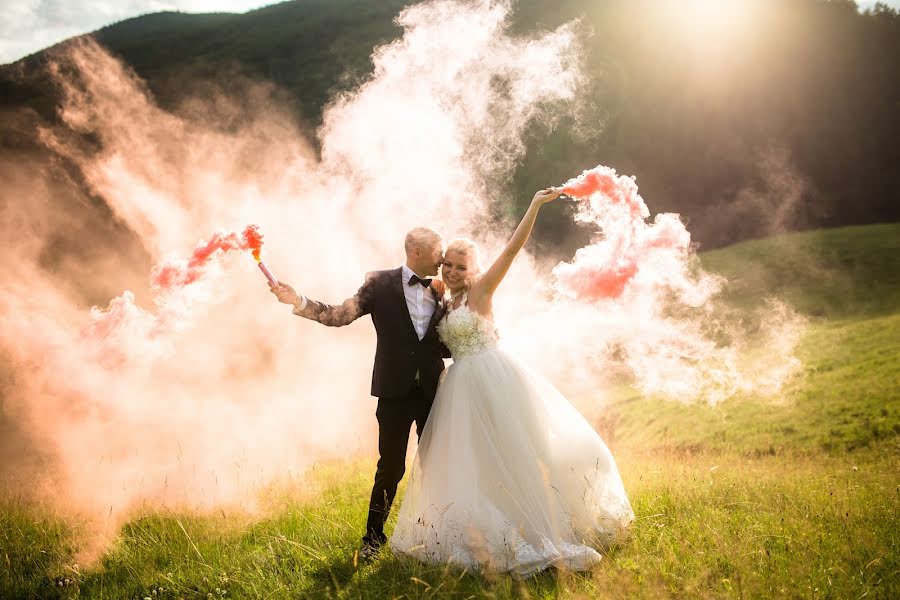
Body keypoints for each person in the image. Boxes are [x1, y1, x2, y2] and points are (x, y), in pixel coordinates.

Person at [390, 189, 634, 575]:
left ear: (473, 271)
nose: (452, 272)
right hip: (459, 389)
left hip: (491, 377)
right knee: (475, 462)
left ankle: (542, 527)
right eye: (447, 265)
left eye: (460, 267)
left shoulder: (481, 291)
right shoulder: (445, 300)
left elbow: (512, 250)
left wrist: (534, 204)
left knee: (517, 454)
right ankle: (480, 527)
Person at [269, 227, 450, 559]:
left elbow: (446, 340)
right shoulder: (379, 284)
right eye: (439, 250)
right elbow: (340, 315)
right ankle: (372, 539)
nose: (444, 257)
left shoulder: (442, 288)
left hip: (433, 392)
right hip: (394, 392)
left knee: (437, 464)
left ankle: (438, 539)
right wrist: (298, 300)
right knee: (391, 467)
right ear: (417, 251)